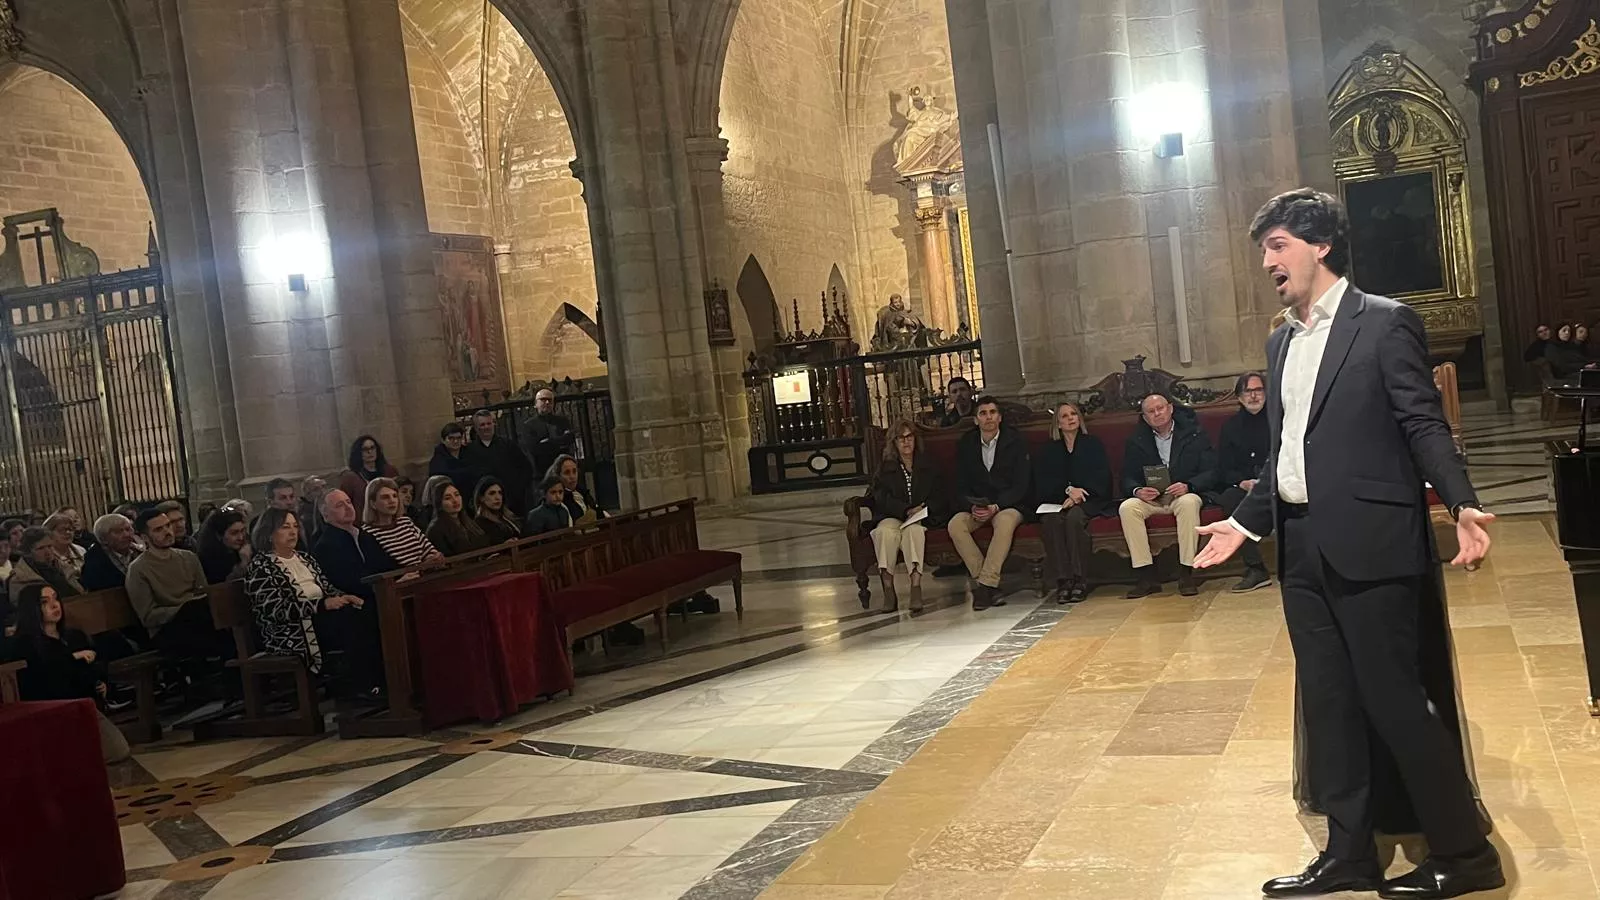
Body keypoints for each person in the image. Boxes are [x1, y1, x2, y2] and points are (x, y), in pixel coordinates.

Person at [1195, 188, 1503, 899]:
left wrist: (1461, 501)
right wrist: (1244, 523)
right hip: (1301, 548)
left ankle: (1465, 854)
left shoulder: (1385, 322)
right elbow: (1286, 452)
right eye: (1264, 249)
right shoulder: (1280, 342)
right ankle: (1350, 852)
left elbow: (1422, 423)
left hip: (1373, 541)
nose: (1267, 262)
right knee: (1329, 704)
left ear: (1321, 245)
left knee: (1395, 700)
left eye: (1278, 245)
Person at [245, 508, 382, 697]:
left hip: (321, 620)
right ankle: (358, 685)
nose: (293, 532)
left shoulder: (305, 558)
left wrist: (345, 597)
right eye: (285, 527)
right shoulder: (260, 567)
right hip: (291, 631)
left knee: (368, 611)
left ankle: (378, 679)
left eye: (295, 526)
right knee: (352, 622)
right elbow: (275, 610)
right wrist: (321, 605)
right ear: (269, 533)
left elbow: (327, 588)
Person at [7, 584, 131, 763]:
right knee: (110, 750)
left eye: (55, 598)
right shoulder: (25, 645)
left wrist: (100, 682)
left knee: (117, 749)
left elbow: (95, 663)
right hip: (54, 710)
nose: (54, 605)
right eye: (44, 602)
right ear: (32, 609)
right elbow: (42, 679)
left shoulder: (73, 636)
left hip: (85, 705)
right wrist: (73, 658)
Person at [1118, 392, 1217, 598]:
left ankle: (1187, 572)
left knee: (1189, 503)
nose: (1157, 414)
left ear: (1170, 408)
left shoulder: (1194, 434)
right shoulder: (1136, 440)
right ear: (1145, 418)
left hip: (1183, 495)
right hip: (1153, 499)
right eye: (1151, 411)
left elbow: (1212, 471)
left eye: (1160, 408)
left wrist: (1189, 486)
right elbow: (1126, 476)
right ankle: (1146, 575)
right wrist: (1138, 490)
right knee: (1127, 508)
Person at [946, 396, 1030, 610]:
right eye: (983, 413)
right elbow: (959, 484)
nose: (988, 417)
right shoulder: (966, 444)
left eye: (992, 412)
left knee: (1004, 522)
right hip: (977, 506)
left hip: (1008, 505)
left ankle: (984, 587)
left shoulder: (1015, 441)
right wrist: (972, 506)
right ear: (976, 420)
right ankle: (986, 583)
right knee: (956, 524)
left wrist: (997, 506)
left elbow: (1022, 484)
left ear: (999, 417)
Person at [1033, 402, 1112, 604]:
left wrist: (1079, 493)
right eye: (1065, 416)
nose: (1070, 418)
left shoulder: (1092, 444)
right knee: (1051, 520)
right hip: (1058, 501)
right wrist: (1067, 491)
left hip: (1089, 499)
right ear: (1058, 423)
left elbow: (1102, 477)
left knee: (1074, 518)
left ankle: (1079, 579)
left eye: (1073, 414)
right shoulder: (1049, 450)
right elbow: (1043, 482)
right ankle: (1064, 580)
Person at [124, 508, 226, 665]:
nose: (167, 532)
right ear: (144, 537)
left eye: (167, 525)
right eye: (158, 529)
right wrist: (182, 608)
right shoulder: (138, 569)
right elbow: (148, 616)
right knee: (198, 616)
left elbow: (204, 592)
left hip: (197, 618)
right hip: (167, 629)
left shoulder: (188, 557)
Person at [868, 419, 939, 612]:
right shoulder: (886, 467)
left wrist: (922, 508)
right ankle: (888, 590)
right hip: (893, 514)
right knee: (883, 533)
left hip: (919, 517)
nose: (906, 442)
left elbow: (939, 493)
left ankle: (915, 588)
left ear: (915, 439)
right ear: (894, 442)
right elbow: (880, 496)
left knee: (913, 533)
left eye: (909, 437)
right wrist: (905, 510)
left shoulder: (927, 464)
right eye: (901, 438)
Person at [1215, 372, 1273, 593]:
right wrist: (1242, 482)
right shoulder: (1230, 427)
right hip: (1245, 486)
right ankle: (1256, 568)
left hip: (1277, 483)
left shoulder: (1279, 421)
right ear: (1239, 397)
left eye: (1258, 390)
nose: (1254, 396)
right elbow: (1223, 468)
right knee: (1230, 499)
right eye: (1248, 391)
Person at [312, 489, 398, 604]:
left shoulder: (365, 536)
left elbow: (387, 565)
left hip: (385, 595)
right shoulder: (325, 547)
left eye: (348, 502)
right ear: (325, 514)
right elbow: (349, 583)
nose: (348, 507)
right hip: (360, 604)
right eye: (340, 505)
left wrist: (401, 577)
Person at [463, 409, 535, 517]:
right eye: (482, 424)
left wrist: (517, 490)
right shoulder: (469, 451)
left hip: (512, 503)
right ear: (476, 428)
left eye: (489, 423)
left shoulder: (508, 445)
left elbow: (526, 468)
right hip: (484, 506)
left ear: (494, 424)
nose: (486, 427)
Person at [362, 478, 442, 568]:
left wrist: (433, 557)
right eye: (385, 497)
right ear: (373, 504)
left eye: (395, 496)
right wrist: (421, 567)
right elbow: (383, 568)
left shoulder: (405, 522)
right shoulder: (368, 533)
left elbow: (428, 549)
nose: (392, 501)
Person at [8, 526, 84, 616]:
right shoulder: (20, 579)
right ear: (28, 552)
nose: (48, 552)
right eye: (41, 548)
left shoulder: (65, 569)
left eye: (50, 546)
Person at [338, 434, 399, 520]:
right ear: (358, 452)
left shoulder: (390, 471)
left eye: (372, 448)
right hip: (363, 521)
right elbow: (345, 503)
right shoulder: (350, 478)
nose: (370, 452)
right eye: (365, 449)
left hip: (390, 518)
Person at [425, 480, 489, 557]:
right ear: (439, 504)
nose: (455, 500)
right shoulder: (435, 529)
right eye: (448, 498)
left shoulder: (467, 520)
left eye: (457, 495)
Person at [522, 388, 577, 476]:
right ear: (536, 404)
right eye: (543, 400)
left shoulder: (562, 421)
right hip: (542, 472)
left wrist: (549, 441)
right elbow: (534, 449)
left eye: (550, 400)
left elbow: (570, 439)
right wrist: (559, 442)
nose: (547, 402)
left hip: (563, 471)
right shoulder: (529, 425)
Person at [81, 513, 140, 591]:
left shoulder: (140, 552)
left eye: (128, 529)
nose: (126, 535)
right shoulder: (94, 563)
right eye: (118, 532)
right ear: (103, 538)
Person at [429, 422, 483, 500]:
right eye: (451, 438)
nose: (455, 441)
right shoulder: (437, 461)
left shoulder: (470, 454)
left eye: (458, 438)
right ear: (443, 440)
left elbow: (478, 473)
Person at [546, 455, 607, 525]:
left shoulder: (583, 492)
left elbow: (598, 512)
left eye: (574, 471)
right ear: (558, 476)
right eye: (567, 473)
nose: (572, 476)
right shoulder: (557, 499)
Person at [196, 509, 252, 584]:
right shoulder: (208, 559)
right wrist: (243, 565)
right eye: (234, 533)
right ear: (219, 535)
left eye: (242, 531)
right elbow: (221, 586)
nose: (241, 537)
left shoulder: (247, 548)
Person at [473, 477, 523, 545]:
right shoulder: (479, 523)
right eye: (492, 493)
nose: (497, 497)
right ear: (481, 498)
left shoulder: (507, 517)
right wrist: (504, 546)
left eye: (500, 493)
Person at [44, 513, 87, 583]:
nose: (68, 532)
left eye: (70, 529)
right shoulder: (46, 555)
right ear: (49, 533)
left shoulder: (81, 550)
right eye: (62, 530)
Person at [297, 477, 328, 546]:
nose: (323, 491)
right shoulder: (303, 515)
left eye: (324, 486)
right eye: (316, 489)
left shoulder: (330, 506)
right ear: (307, 494)